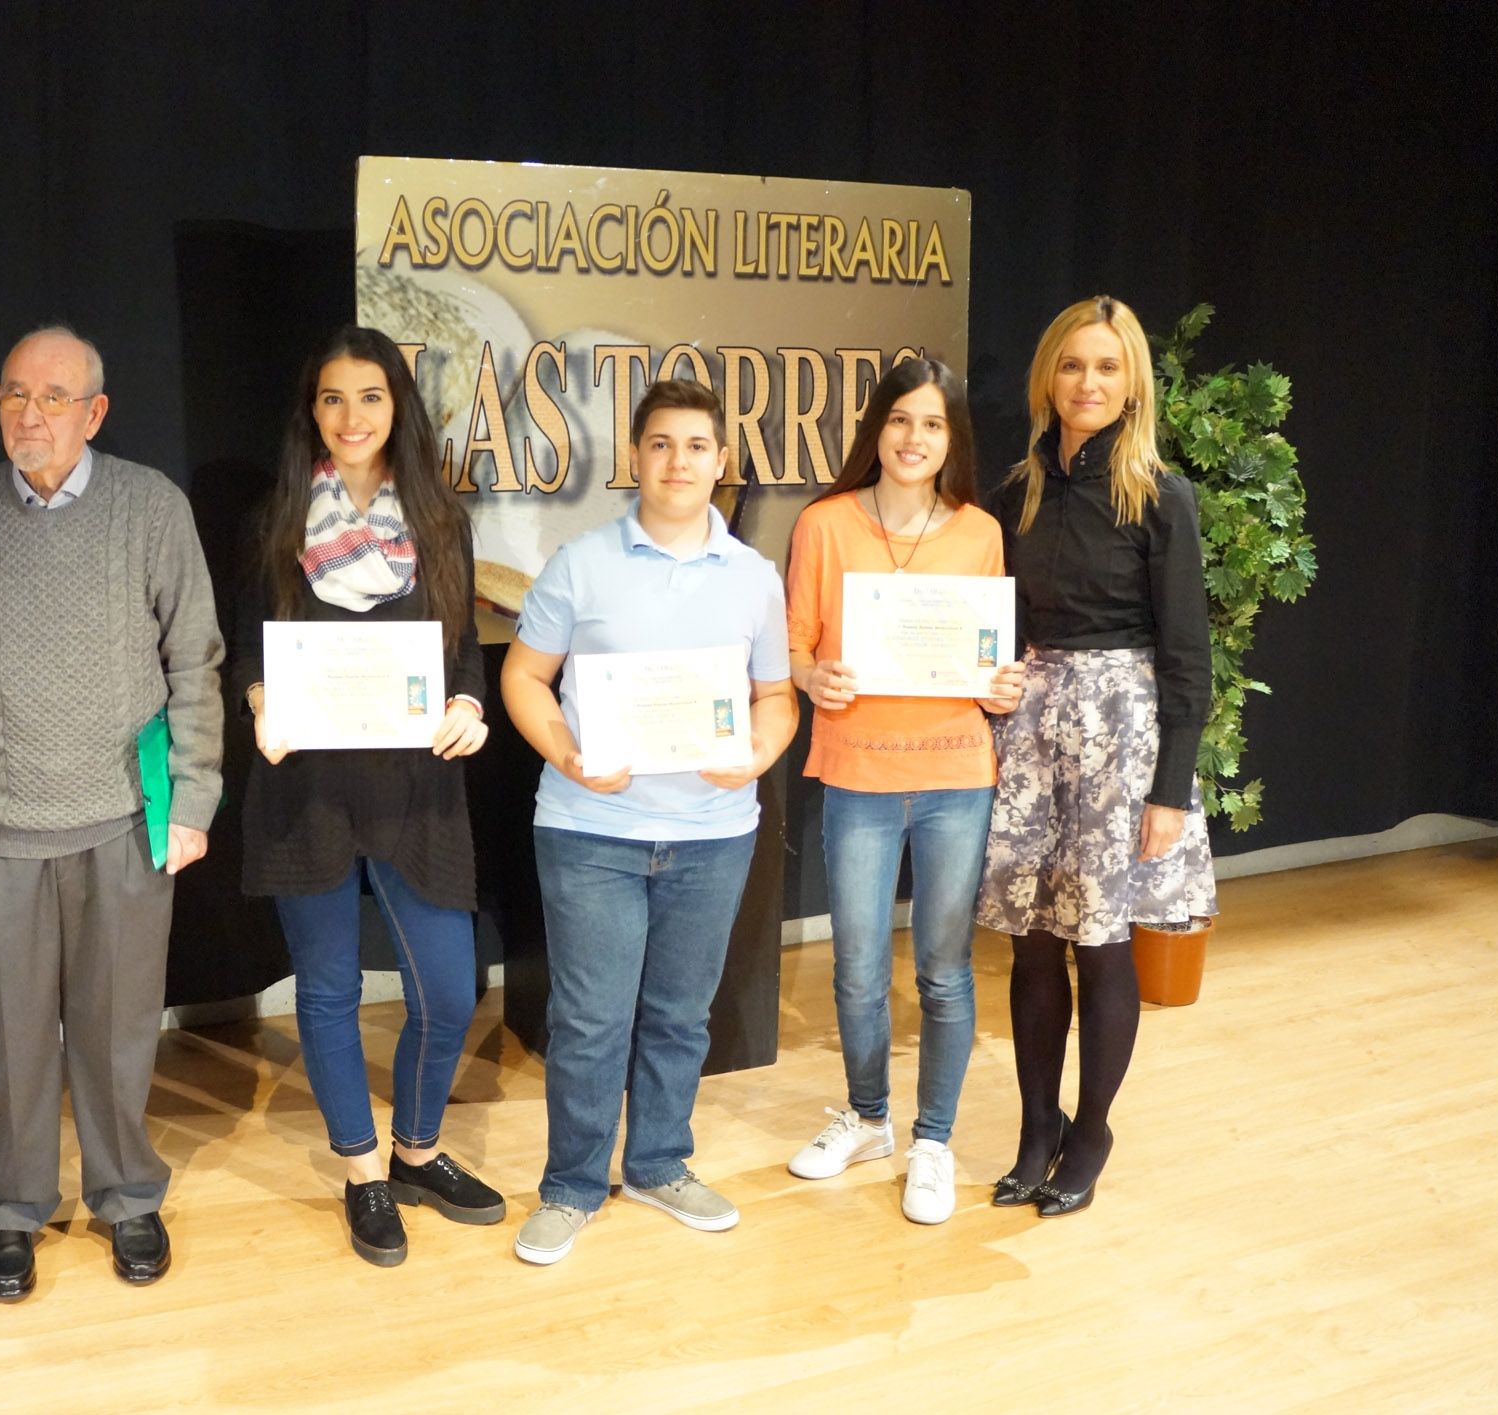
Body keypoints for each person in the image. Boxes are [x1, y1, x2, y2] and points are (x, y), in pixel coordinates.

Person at [0, 325, 224, 1298]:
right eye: (13, 393)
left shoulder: (150, 506)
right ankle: (11, 1208)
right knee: (14, 1033)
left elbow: (195, 659)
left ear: (93, 412)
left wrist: (192, 794)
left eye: (52, 397)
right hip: (0, 820)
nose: (29, 414)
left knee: (116, 1024)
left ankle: (127, 1194)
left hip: (123, 817)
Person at [501, 378, 798, 1265]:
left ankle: (662, 1162)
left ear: (721, 462)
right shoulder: (581, 563)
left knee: (679, 1013)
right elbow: (523, 677)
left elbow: (776, 697)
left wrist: (756, 754)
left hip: (713, 832)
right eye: (661, 444)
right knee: (590, 1017)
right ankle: (572, 1184)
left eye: (697, 446)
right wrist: (565, 752)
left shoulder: (754, 578)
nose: (678, 461)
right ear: (636, 457)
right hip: (592, 829)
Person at [225, 326, 503, 1267]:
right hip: (305, 784)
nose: (351, 418)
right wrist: (260, 702)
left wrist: (468, 702)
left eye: (371, 398)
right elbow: (252, 649)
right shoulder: (273, 520)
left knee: (450, 990)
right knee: (332, 992)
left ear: (398, 407)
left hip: (418, 784)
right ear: (313, 408)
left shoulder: (438, 519)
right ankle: (361, 1172)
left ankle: (418, 1151)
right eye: (333, 398)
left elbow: (462, 647)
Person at [976, 296, 1218, 1217]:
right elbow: (998, 624)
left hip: (1123, 734)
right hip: (1033, 730)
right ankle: (1038, 1123)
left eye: (1107, 367)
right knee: (1033, 944)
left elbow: (1187, 652)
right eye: (1074, 365)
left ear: (1132, 384)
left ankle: (1092, 1126)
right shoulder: (1016, 490)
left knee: (1103, 945)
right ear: (1050, 376)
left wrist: (1170, 789)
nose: (1089, 383)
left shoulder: (1162, 496)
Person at [781, 357, 1024, 1224]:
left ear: (951, 439)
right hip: (858, 771)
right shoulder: (824, 523)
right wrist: (814, 677)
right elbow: (793, 647)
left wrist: (1002, 688)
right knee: (854, 968)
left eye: (933, 424)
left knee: (945, 971)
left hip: (959, 771)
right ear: (875, 428)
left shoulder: (981, 532)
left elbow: (994, 662)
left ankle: (934, 1140)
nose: (914, 438)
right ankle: (871, 1117)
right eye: (900, 420)